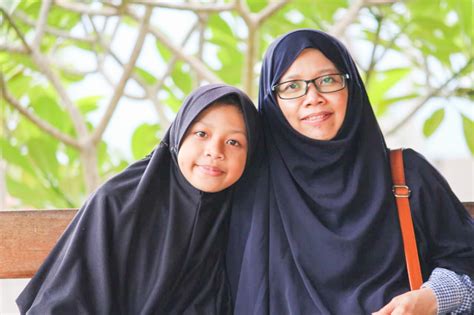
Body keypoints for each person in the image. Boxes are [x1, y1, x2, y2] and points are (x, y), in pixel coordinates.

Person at [227, 29, 473, 315]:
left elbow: (467, 263)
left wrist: (432, 298)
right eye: (292, 86)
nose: (313, 96)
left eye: (328, 80)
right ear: (272, 101)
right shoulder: (249, 190)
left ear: (352, 86)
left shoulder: (406, 175)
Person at [17, 83, 261, 314]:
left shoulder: (247, 216)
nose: (215, 151)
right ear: (178, 136)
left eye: (234, 142)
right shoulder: (116, 203)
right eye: (201, 133)